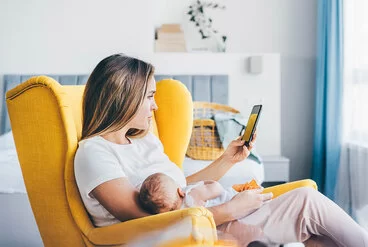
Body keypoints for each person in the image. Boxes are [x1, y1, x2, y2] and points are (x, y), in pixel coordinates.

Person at [74, 54, 368, 246]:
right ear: (125, 97)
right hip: (187, 233)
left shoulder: (144, 140)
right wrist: (229, 210)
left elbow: (180, 189)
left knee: (319, 234)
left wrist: (228, 160)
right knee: (306, 202)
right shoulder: (94, 152)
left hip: (208, 216)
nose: (156, 105)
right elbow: (146, 220)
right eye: (149, 96)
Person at [138, 172, 263, 214]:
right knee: (241, 188)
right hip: (233, 200)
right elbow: (217, 189)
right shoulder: (191, 194)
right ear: (180, 191)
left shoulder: (174, 216)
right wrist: (206, 182)